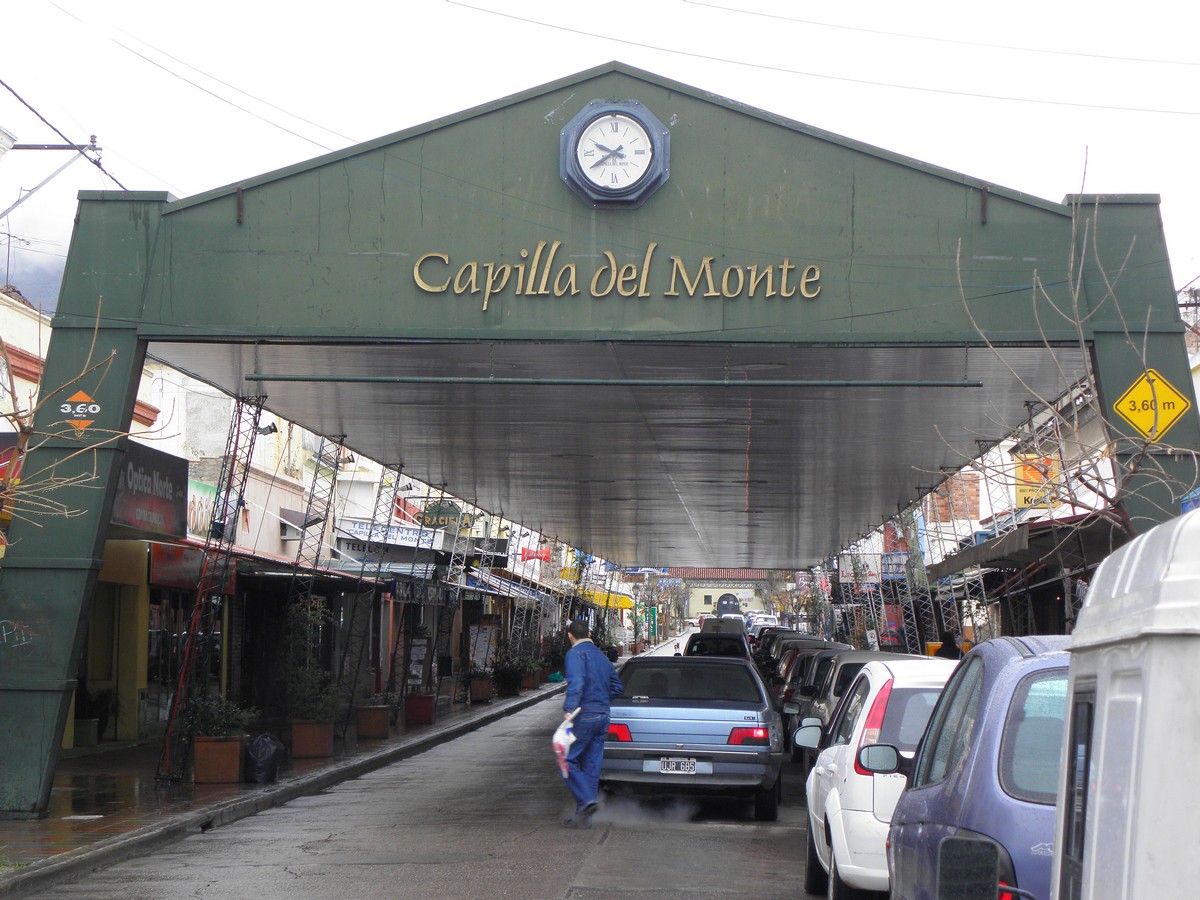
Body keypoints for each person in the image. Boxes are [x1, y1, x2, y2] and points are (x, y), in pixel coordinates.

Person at [561, 619, 624, 828]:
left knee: (567, 760)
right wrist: (602, 701)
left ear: (570, 635)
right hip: (603, 716)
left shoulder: (575, 654)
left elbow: (576, 683)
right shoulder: (601, 656)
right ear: (589, 634)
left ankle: (587, 801)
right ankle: (584, 818)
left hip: (584, 714)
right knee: (591, 765)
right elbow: (617, 686)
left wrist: (569, 709)